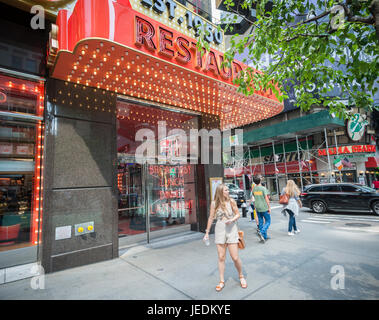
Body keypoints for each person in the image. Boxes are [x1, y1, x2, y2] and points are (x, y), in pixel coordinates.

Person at [203, 184, 247, 292]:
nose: (228, 191)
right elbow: (210, 217)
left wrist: (232, 220)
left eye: (228, 190)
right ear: (220, 192)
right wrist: (207, 232)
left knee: (235, 257)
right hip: (220, 230)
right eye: (226, 190)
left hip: (231, 229)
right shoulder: (214, 203)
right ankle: (221, 281)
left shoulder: (231, 201)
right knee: (221, 257)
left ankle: (241, 276)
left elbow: (238, 214)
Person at [252, 176, 271, 243]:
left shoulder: (254, 189)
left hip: (257, 207)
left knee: (260, 222)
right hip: (264, 207)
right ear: (260, 180)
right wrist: (269, 207)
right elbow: (266, 198)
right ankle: (261, 232)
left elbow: (254, 197)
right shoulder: (263, 188)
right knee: (268, 221)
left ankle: (264, 236)